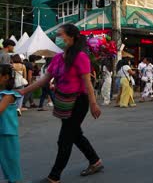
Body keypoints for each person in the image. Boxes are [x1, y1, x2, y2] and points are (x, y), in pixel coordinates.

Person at [19, 24, 103, 183]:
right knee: (75, 134)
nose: (57, 38)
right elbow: (44, 80)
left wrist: (93, 104)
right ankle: (95, 161)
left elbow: (87, 83)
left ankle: (54, 177)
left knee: (64, 138)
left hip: (79, 102)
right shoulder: (57, 58)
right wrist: (22, 91)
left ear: (72, 37)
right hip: (63, 101)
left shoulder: (80, 57)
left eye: (60, 34)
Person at [0, 64, 23, 183]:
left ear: (5, 77)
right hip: (2, 131)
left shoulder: (8, 95)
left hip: (7, 132)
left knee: (10, 163)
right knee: (6, 162)